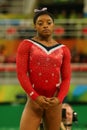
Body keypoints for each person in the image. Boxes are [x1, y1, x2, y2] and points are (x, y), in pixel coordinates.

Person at [16, 7, 71, 130]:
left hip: (54, 101)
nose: (45, 26)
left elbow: (66, 78)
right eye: (40, 23)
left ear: (53, 25)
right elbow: (21, 74)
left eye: (49, 23)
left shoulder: (63, 49)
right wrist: (34, 96)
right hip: (34, 102)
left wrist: (59, 99)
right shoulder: (27, 45)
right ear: (35, 26)